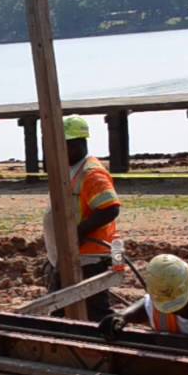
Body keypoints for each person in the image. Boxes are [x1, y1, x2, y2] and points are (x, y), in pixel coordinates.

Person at [42, 116, 121, 320]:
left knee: (96, 313)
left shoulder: (92, 174)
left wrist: (78, 232)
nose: (58, 151)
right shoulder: (70, 170)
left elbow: (110, 209)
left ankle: (108, 348)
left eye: (63, 145)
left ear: (77, 144)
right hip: (69, 256)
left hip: (88, 258)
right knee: (62, 309)